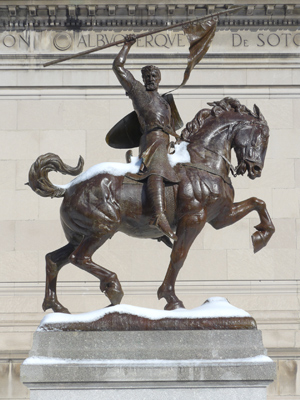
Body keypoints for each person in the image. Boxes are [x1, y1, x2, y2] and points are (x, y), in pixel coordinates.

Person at [113, 35, 179, 241]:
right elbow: (118, 67)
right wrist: (126, 46)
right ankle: (158, 215)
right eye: (147, 76)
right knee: (157, 168)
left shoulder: (165, 102)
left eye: (154, 75)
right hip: (152, 142)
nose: (151, 78)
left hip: (167, 142)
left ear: (159, 79)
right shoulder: (140, 94)